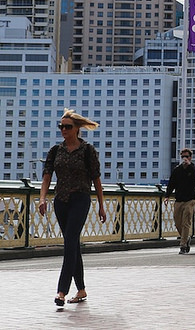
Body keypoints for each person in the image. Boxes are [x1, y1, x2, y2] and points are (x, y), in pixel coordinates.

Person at [38, 109, 106, 307]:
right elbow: (47, 177)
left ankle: (61, 291)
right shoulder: (55, 151)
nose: (63, 130)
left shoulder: (87, 151)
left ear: (77, 129)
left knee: (69, 242)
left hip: (80, 198)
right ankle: (82, 289)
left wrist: (102, 206)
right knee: (73, 243)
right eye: (61, 126)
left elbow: (96, 179)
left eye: (68, 127)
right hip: (60, 200)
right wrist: (42, 199)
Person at [165, 146, 195, 254]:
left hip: (190, 200)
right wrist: (167, 195)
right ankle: (186, 238)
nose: (184, 158)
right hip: (179, 199)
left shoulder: (194, 168)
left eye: (186, 156)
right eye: (183, 157)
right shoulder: (177, 170)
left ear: (190, 157)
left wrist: (189, 166)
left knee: (186, 223)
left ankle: (183, 245)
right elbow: (171, 183)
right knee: (177, 222)